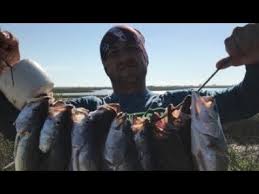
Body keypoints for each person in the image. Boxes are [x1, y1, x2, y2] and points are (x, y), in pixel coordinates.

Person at [1, 23, 259, 142]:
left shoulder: (183, 103)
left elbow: (247, 100)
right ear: (105, 66)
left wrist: (255, 59)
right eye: (113, 53)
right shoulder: (88, 110)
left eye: (131, 48)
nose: (123, 57)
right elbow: (19, 128)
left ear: (145, 56)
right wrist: (10, 70)